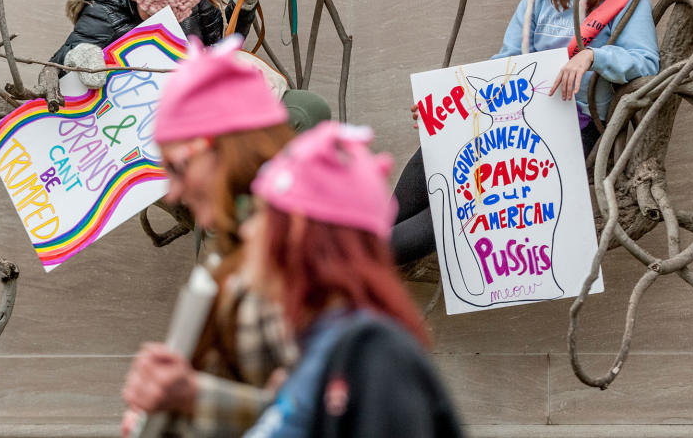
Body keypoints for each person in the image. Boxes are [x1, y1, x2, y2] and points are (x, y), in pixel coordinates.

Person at [123, 121, 464, 438]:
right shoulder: (324, 348)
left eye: (259, 214)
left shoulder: (371, 354)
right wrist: (188, 403)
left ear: (296, 231)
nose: (247, 229)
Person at [391, 0, 660, 264]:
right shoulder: (539, 0)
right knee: (433, 154)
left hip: (566, 130)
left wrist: (594, 55)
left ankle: (347, 260)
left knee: (455, 212)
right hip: (511, 115)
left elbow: (646, 63)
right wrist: (448, 106)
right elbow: (505, 63)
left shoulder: (627, 1)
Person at [119, 38, 302, 437]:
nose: (173, 193)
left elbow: (327, 415)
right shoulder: (235, 256)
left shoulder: (291, 258)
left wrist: (190, 399)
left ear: (221, 150)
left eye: (178, 166)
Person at [49, 0, 329, 132]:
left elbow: (224, 45)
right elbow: (54, 67)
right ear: (149, 5)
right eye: (177, 11)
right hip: (152, 126)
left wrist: (243, 5)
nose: (186, 14)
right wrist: (79, 57)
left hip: (210, 105)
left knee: (309, 110)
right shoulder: (103, 13)